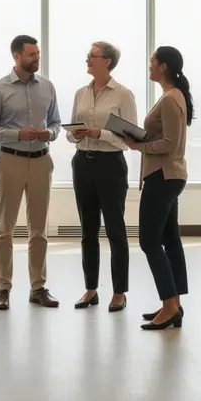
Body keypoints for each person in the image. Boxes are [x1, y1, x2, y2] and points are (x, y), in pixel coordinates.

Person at [0, 35, 62, 310]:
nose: (36, 58)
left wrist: (49, 133)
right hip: (11, 161)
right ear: (16, 56)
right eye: (31, 54)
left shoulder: (48, 86)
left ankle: (38, 288)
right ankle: (3, 289)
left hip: (41, 161)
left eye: (38, 54)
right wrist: (19, 133)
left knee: (39, 230)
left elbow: (56, 122)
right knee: (5, 228)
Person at [124, 46, 193, 331]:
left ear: (163, 66)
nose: (149, 65)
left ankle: (169, 306)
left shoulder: (170, 98)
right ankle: (173, 303)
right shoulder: (172, 96)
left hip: (163, 176)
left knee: (149, 242)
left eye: (152, 61)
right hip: (168, 175)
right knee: (169, 239)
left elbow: (169, 144)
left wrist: (138, 145)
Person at [68, 42, 137, 312]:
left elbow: (129, 138)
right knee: (88, 231)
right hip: (82, 163)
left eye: (92, 56)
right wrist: (74, 133)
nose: (87, 59)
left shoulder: (122, 95)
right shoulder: (80, 93)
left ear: (106, 62)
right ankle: (90, 289)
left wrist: (101, 134)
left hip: (110, 165)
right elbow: (72, 128)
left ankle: (119, 291)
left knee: (115, 230)